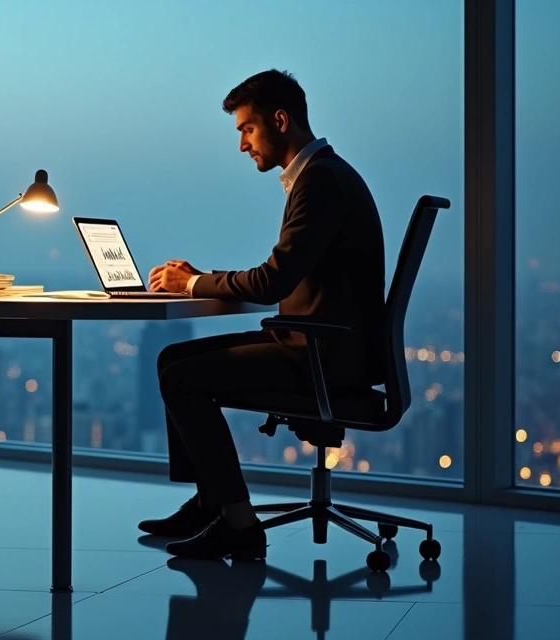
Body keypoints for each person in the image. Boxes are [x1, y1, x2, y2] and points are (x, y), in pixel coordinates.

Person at [137, 70, 386, 561]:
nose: (242, 145)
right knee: (172, 359)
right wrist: (201, 278)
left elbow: (273, 281)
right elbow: (284, 274)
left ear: (280, 121)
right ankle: (211, 503)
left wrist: (191, 284)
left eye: (247, 129)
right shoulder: (326, 175)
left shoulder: (320, 182)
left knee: (182, 379)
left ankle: (238, 522)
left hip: (321, 356)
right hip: (321, 344)